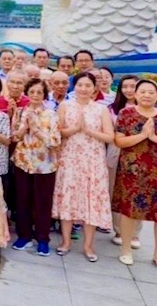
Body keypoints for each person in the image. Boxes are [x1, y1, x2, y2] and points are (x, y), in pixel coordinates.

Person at [52, 72, 114, 261]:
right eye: (80, 85)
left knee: (91, 201)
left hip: (93, 161)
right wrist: (75, 129)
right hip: (69, 159)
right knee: (68, 198)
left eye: (88, 85)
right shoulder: (65, 106)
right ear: (74, 86)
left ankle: (88, 246)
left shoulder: (101, 109)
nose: (84, 89)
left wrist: (88, 130)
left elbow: (110, 137)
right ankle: (66, 242)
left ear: (94, 88)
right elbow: (57, 132)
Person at [11, 78, 61, 257]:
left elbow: (55, 141)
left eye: (39, 92)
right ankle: (24, 235)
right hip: (23, 162)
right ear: (27, 93)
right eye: (32, 92)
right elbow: (14, 137)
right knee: (22, 200)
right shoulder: (20, 111)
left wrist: (37, 130)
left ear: (44, 94)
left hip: (44, 165)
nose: (35, 95)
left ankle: (42, 239)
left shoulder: (51, 114)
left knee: (42, 202)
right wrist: (23, 128)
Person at [112, 79, 157, 266]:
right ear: (136, 94)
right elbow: (119, 141)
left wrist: (153, 137)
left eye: (151, 92)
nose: (147, 95)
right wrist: (142, 136)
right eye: (143, 91)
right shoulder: (126, 113)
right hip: (132, 171)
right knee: (129, 211)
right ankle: (126, 249)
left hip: (155, 172)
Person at [108, 75, 143, 247]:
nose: (129, 90)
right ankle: (119, 231)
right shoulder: (113, 109)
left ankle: (135, 234)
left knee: (139, 193)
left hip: (141, 155)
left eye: (133, 86)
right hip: (116, 152)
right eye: (125, 86)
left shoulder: (148, 108)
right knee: (116, 191)